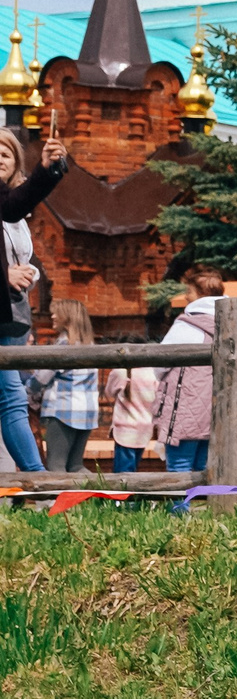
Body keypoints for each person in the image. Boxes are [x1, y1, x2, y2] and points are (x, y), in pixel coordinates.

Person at [0, 132, 70, 472]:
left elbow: (15, 208)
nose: (0, 158)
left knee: (10, 396)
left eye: (6, 154)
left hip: (11, 313)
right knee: (11, 396)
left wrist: (48, 168)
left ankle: (37, 480)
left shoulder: (10, 203)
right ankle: (39, 480)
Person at [153, 268, 222, 474]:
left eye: (189, 291)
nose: (185, 296)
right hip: (214, 408)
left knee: (178, 465)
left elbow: (161, 361)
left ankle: (179, 508)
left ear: (201, 295)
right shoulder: (226, 323)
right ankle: (211, 506)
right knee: (204, 466)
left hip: (184, 404)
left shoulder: (187, 325)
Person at [31, 300, 98, 472]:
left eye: (56, 313)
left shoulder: (64, 345)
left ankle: (58, 499)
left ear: (67, 317)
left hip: (63, 410)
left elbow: (42, 377)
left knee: (56, 465)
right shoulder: (90, 346)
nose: (52, 316)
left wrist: (26, 392)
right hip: (87, 412)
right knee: (75, 466)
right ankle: (102, 494)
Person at [102, 360, 158, 474]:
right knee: (133, 468)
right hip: (145, 428)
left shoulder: (119, 372)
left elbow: (109, 393)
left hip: (125, 430)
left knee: (123, 474)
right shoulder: (152, 371)